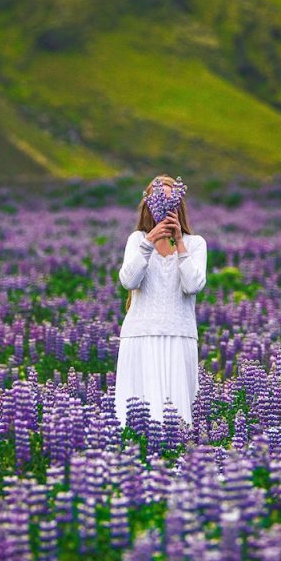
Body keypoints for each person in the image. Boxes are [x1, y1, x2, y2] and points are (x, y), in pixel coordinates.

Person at [115, 174, 207, 427]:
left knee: (177, 418)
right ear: (149, 206)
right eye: (160, 202)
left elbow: (193, 286)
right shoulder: (137, 240)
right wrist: (149, 241)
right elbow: (128, 281)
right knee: (135, 418)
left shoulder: (195, 244)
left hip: (179, 335)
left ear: (179, 206)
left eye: (171, 203)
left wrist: (178, 242)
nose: (166, 208)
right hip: (140, 336)